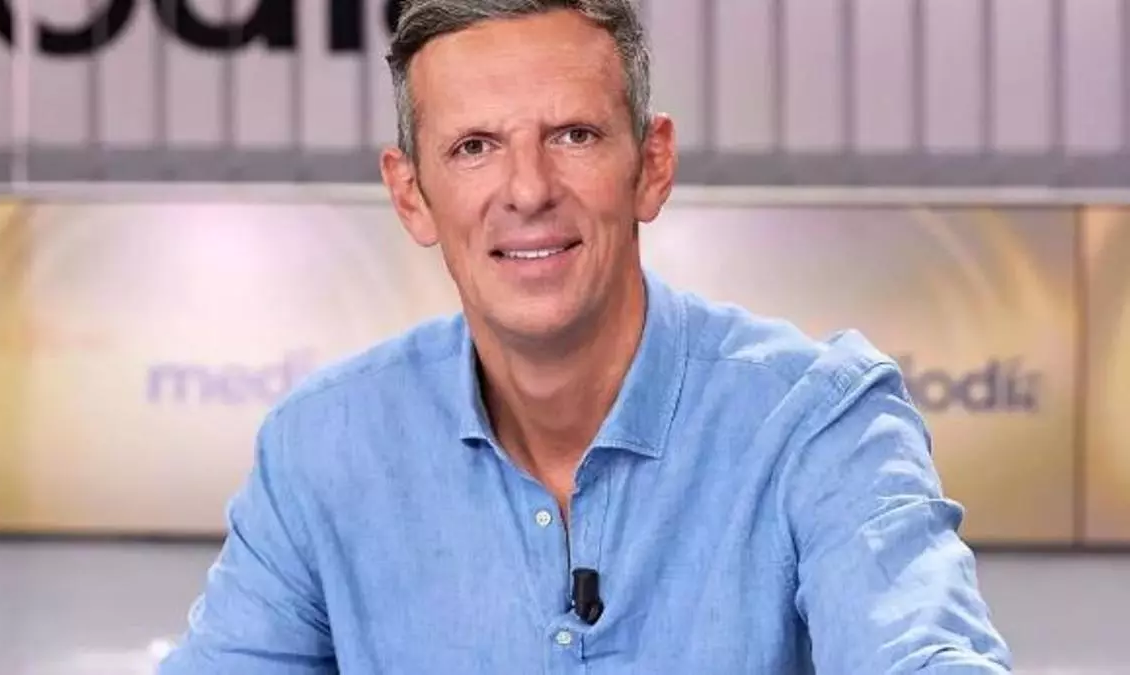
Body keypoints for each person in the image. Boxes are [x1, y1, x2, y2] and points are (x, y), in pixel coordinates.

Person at [160, 1, 1012, 672]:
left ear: (652, 165)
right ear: (411, 194)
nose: (529, 189)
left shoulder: (822, 422)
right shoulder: (322, 448)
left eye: (573, 135)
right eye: (474, 147)